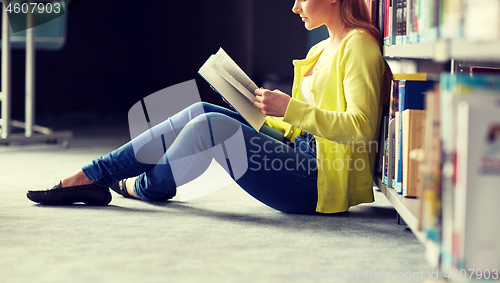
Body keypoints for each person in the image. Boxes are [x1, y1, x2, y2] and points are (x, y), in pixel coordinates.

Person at [27, 0, 393, 214]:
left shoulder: (359, 46)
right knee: (200, 111)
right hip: (297, 152)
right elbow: (299, 127)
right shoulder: (319, 48)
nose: (295, 6)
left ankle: (145, 186)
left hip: (319, 182)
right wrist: (261, 111)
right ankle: (94, 175)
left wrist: (290, 108)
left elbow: (361, 127)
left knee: (210, 129)